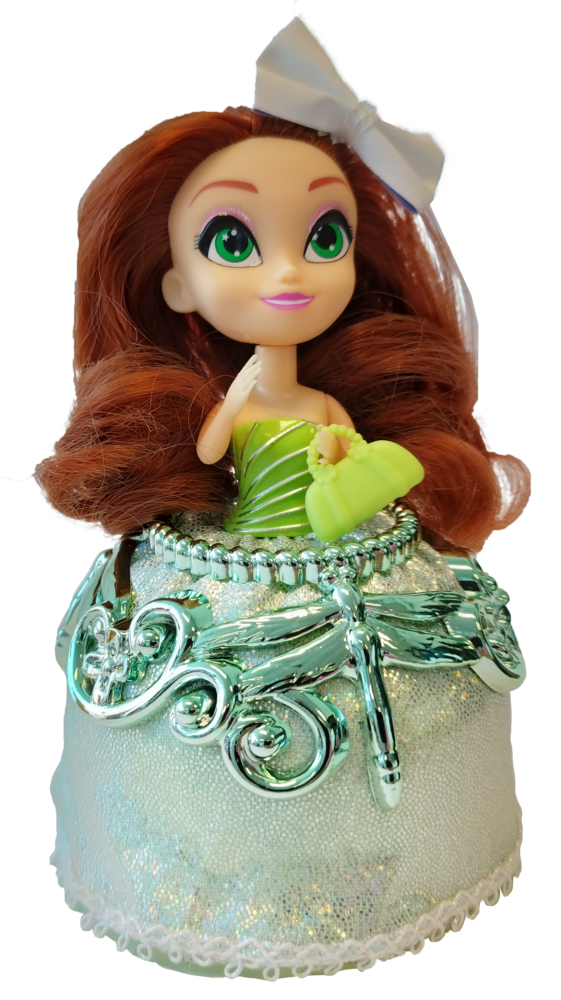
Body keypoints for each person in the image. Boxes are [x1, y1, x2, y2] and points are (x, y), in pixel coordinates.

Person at [41, 12, 530, 981]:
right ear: (176, 284)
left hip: (342, 533)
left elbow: (327, 433)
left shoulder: (314, 400)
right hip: (241, 546)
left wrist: (351, 454)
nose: (288, 270)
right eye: (233, 238)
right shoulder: (236, 415)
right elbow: (213, 441)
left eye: (324, 235)